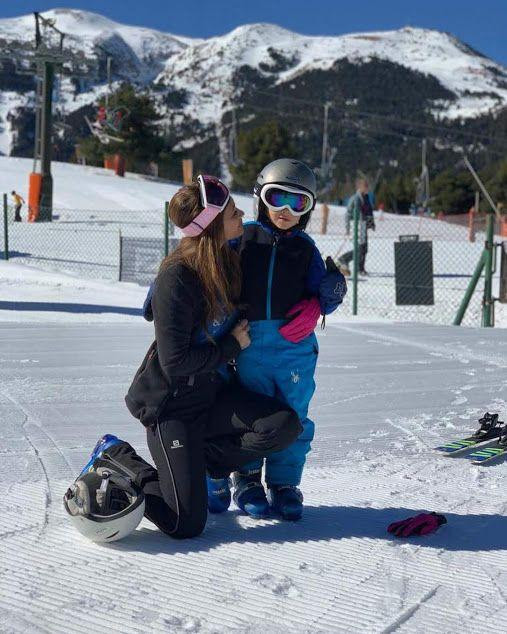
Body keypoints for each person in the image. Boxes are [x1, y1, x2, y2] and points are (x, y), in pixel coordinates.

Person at [65, 175, 301, 541]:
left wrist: (321, 295)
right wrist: (230, 348)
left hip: (211, 398)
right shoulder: (177, 278)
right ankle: (116, 453)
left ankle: (197, 464)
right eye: (233, 214)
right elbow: (176, 362)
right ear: (211, 229)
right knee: (185, 524)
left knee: (284, 426)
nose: (242, 217)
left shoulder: (227, 260)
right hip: (171, 408)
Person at [230, 159, 347, 521]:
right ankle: (247, 479)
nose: (285, 211)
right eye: (277, 198)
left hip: (293, 347)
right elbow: (207, 273)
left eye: (298, 203)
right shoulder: (242, 240)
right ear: (260, 198)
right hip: (249, 343)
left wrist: (321, 302)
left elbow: (325, 292)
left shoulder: (306, 250)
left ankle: (284, 483)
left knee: (294, 414)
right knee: (252, 412)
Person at [339, 178, 375, 276]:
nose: (367, 188)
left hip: (364, 226)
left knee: (364, 248)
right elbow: (348, 214)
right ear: (360, 187)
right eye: (365, 186)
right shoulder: (355, 198)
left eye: (367, 185)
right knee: (360, 249)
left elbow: (369, 212)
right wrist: (347, 228)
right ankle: (344, 258)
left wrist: (372, 223)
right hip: (356, 226)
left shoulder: (366, 197)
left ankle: (361, 269)